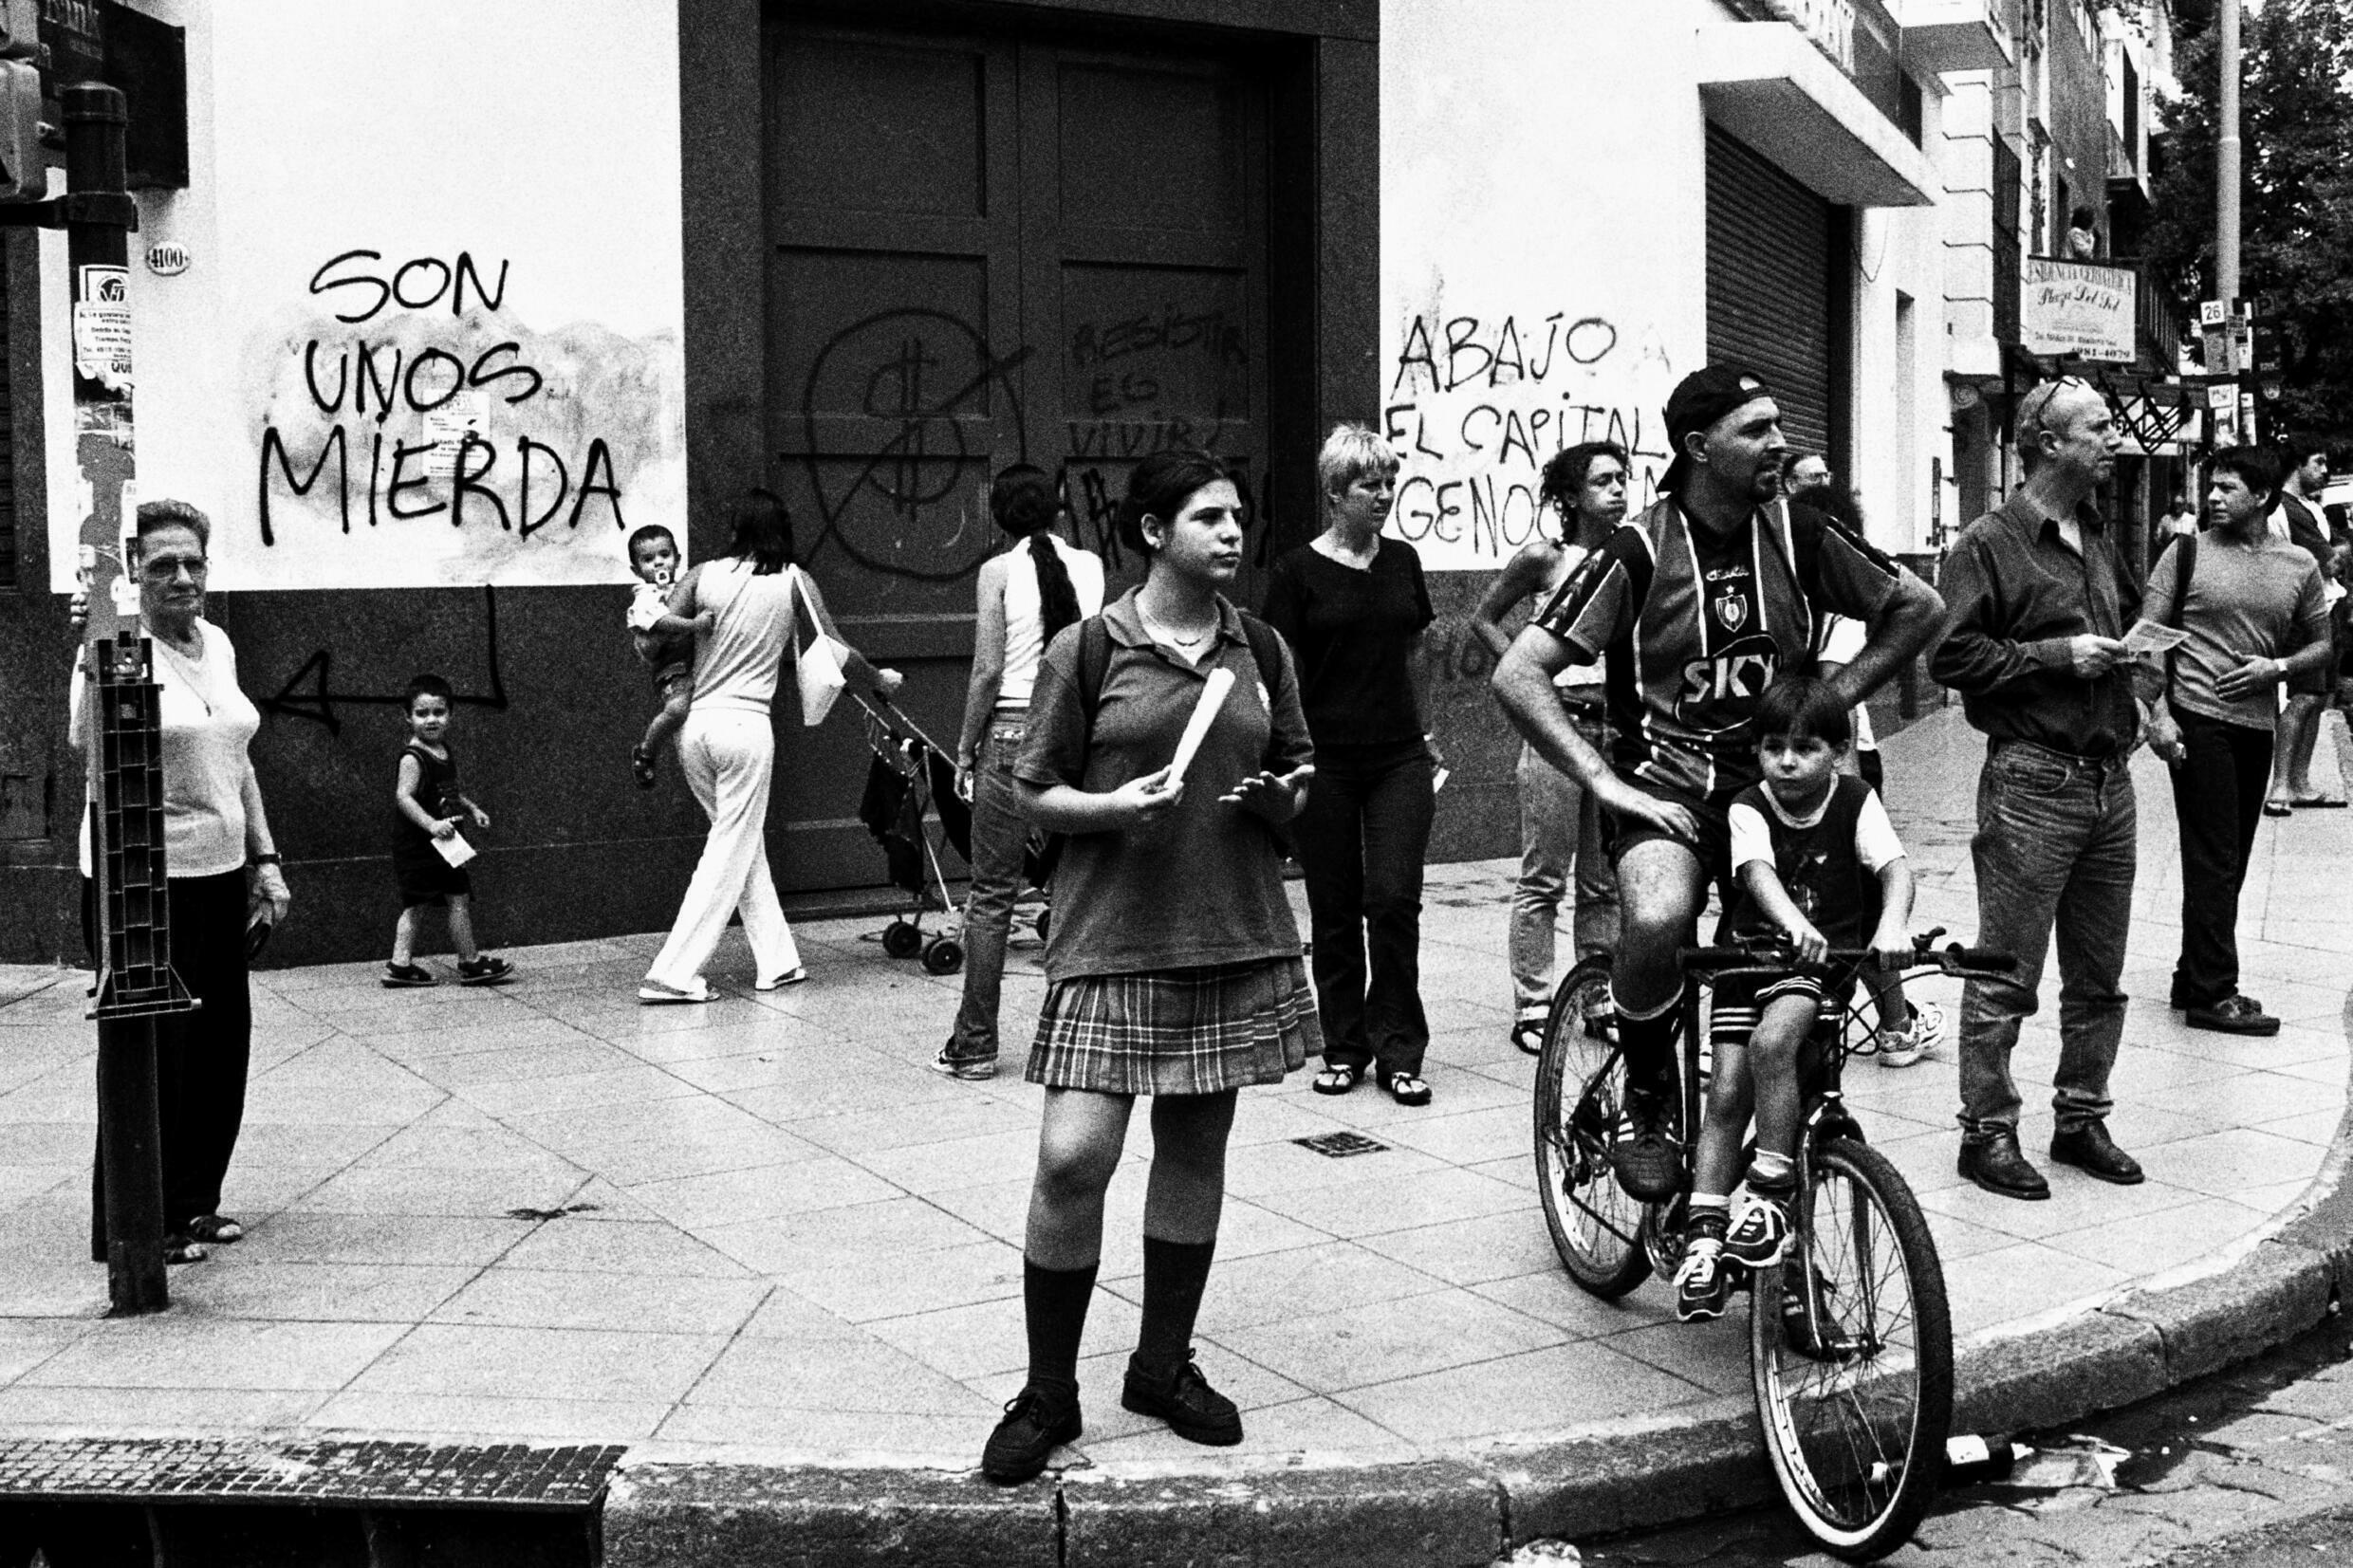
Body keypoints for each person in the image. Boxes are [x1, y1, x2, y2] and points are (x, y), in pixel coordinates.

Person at [1492, 364, 1942, 1204]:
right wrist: (1600, 778)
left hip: (1779, 796)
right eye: (1758, 429)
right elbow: (1520, 673)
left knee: (1802, 985)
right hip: (1668, 788)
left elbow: (1918, 606)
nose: (1780, 442)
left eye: (1779, 423)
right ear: (1701, 448)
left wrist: (1824, 703)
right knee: (1659, 915)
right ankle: (1651, 1098)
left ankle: (1782, 1218)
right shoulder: (1636, 548)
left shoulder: (1800, 532)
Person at [981, 448, 1315, 1485]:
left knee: (1194, 1149)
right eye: (1208, 516)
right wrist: (1108, 808)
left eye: (1238, 515)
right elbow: (1029, 789)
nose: (1231, 532)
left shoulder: (1258, 646)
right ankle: (1048, 1391)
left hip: (1229, 929)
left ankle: (1160, 1366)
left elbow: (1298, 775)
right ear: (1149, 531)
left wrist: (1279, 800)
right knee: (1073, 1158)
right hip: (1111, 934)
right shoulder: (1090, 648)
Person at [1930, 377, 2149, 1200]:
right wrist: (2058, 657)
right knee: (2006, 969)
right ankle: (1986, 1131)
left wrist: (2138, 666)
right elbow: (1949, 657)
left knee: (2100, 969)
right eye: (2097, 427)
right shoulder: (1989, 542)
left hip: (2108, 778)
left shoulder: (2095, 532)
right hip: (2033, 777)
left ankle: (2081, 1115)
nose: (2113, 440)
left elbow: (2121, 625)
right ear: (2048, 442)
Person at [66, 500, 293, 1266]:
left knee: (219, 1046)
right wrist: (97, 641)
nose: (182, 576)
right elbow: (87, 744)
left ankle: (195, 1199)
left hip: (222, 871)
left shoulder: (218, 643)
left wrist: (266, 860)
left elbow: (239, 760)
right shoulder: (116, 644)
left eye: (193, 561)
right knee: (149, 1049)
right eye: (162, 564)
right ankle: (134, 1217)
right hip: (143, 881)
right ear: (134, 572)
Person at [1673, 674, 1914, 1322]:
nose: (1786, 761)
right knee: (1725, 1093)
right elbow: (1756, 872)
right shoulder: (1750, 804)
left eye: (1804, 748)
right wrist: (1788, 922)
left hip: (1816, 965)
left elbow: (1894, 868)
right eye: (1773, 746)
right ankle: (1703, 1239)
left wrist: (1890, 927)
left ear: (1837, 749)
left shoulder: (1856, 799)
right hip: (1749, 955)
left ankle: (1771, 1187)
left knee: (1774, 1042)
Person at [639, 489, 901, 1003]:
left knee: (740, 844)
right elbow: (835, 650)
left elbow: (655, 641)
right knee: (729, 848)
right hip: (747, 728)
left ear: (735, 528)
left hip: (694, 728)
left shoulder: (701, 575)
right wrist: (882, 680)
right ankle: (671, 973)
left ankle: (778, 963)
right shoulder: (794, 581)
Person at [1261, 424, 1439, 1107]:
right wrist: (1289, 751)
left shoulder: (1402, 560)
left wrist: (1427, 730)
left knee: (1392, 899)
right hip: (1325, 758)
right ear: (1337, 493)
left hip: (1399, 756)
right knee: (1334, 906)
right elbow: (1281, 667)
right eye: (1371, 485)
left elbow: (1418, 649)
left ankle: (1399, 1048)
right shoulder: (1296, 571)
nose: (1385, 496)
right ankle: (1344, 1045)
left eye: (1390, 482)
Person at [2139, 447, 2330, 1037]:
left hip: (2257, 726)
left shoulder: (2299, 564)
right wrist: (2157, 715)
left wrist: (2275, 668)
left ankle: (2189, 975)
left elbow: (2322, 645)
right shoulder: (2186, 553)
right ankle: (2213, 993)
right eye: (2210, 487)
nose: (2213, 498)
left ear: (2263, 497)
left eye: (2227, 488)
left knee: (2231, 857)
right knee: (2215, 854)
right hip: (2197, 719)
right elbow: (2147, 640)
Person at [936, 464, 1105, 1080]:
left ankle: (975, 1044)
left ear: (999, 516)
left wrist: (964, 748)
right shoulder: (1089, 567)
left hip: (1009, 735)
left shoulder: (997, 572)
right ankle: (1078, 1041)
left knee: (991, 897)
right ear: (1060, 508)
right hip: (1074, 737)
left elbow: (986, 670)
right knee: (1074, 894)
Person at [1469, 441, 1626, 1054]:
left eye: (1622, 479)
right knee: (1543, 876)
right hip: (1557, 728)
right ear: (1569, 495)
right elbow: (1484, 615)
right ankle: (1533, 1005)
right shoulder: (1544, 556)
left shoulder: (1628, 555)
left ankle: (1599, 995)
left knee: (1605, 879)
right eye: (1603, 481)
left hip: (1615, 731)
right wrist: (1524, 674)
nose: (1618, 491)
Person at [1808, 487, 1943, 1069]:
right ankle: (1894, 1025)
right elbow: (1833, 694)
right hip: (1839, 761)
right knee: (1857, 899)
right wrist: (1846, 791)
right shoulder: (1836, 600)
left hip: (1817, 760)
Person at [383, 673, 513, 987]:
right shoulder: (413, 757)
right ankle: (400, 965)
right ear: (408, 717)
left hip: (448, 844)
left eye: (438, 713)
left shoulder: (442, 750)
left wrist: (472, 808)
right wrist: (430, 824)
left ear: (450, 715)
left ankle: (469, 960)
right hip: (421, 846)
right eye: (422, 713)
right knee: (416, 905)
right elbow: (403, 796)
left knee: (459, 898)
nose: (431, 720)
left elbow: (450, 791)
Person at [2262, 442, 2341, 816]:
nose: (2325, 470)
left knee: (2319, 699)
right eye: (2319, 461)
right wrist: (2339, 552)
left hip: (2324, 609)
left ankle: (2300, 782)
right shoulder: (2289, 509)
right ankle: (2281, 787)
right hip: (2304, 615)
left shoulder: (2308, 508)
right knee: (2304, 697)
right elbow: (2330, 564)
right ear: (2297, 464)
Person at [625, 524, 701, 789]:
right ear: (637, 571)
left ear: (677, 559)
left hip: (696, 662)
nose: (658, 562)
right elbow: (664, 622)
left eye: (664, 554)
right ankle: (646, 752)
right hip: (672, 667)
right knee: (678, 710)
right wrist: (695, 624)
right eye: (647, 560)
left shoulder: (684, 586)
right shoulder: (645, 597)